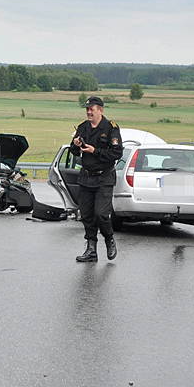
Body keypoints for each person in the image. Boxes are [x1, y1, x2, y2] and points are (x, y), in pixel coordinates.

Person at [70, 96, 123, 262]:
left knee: (101, 214)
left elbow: (116, 153)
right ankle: (91, 249)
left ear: (100, 110)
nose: (88, 112)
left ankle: (109, 239)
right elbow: (74, 151)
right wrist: (76, 144)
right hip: (86, 177)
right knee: (86, 215)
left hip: (104, 178)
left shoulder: (111, 128)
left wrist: (95, 151)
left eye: (91, 109)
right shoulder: (82, 127)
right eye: (87, 109)